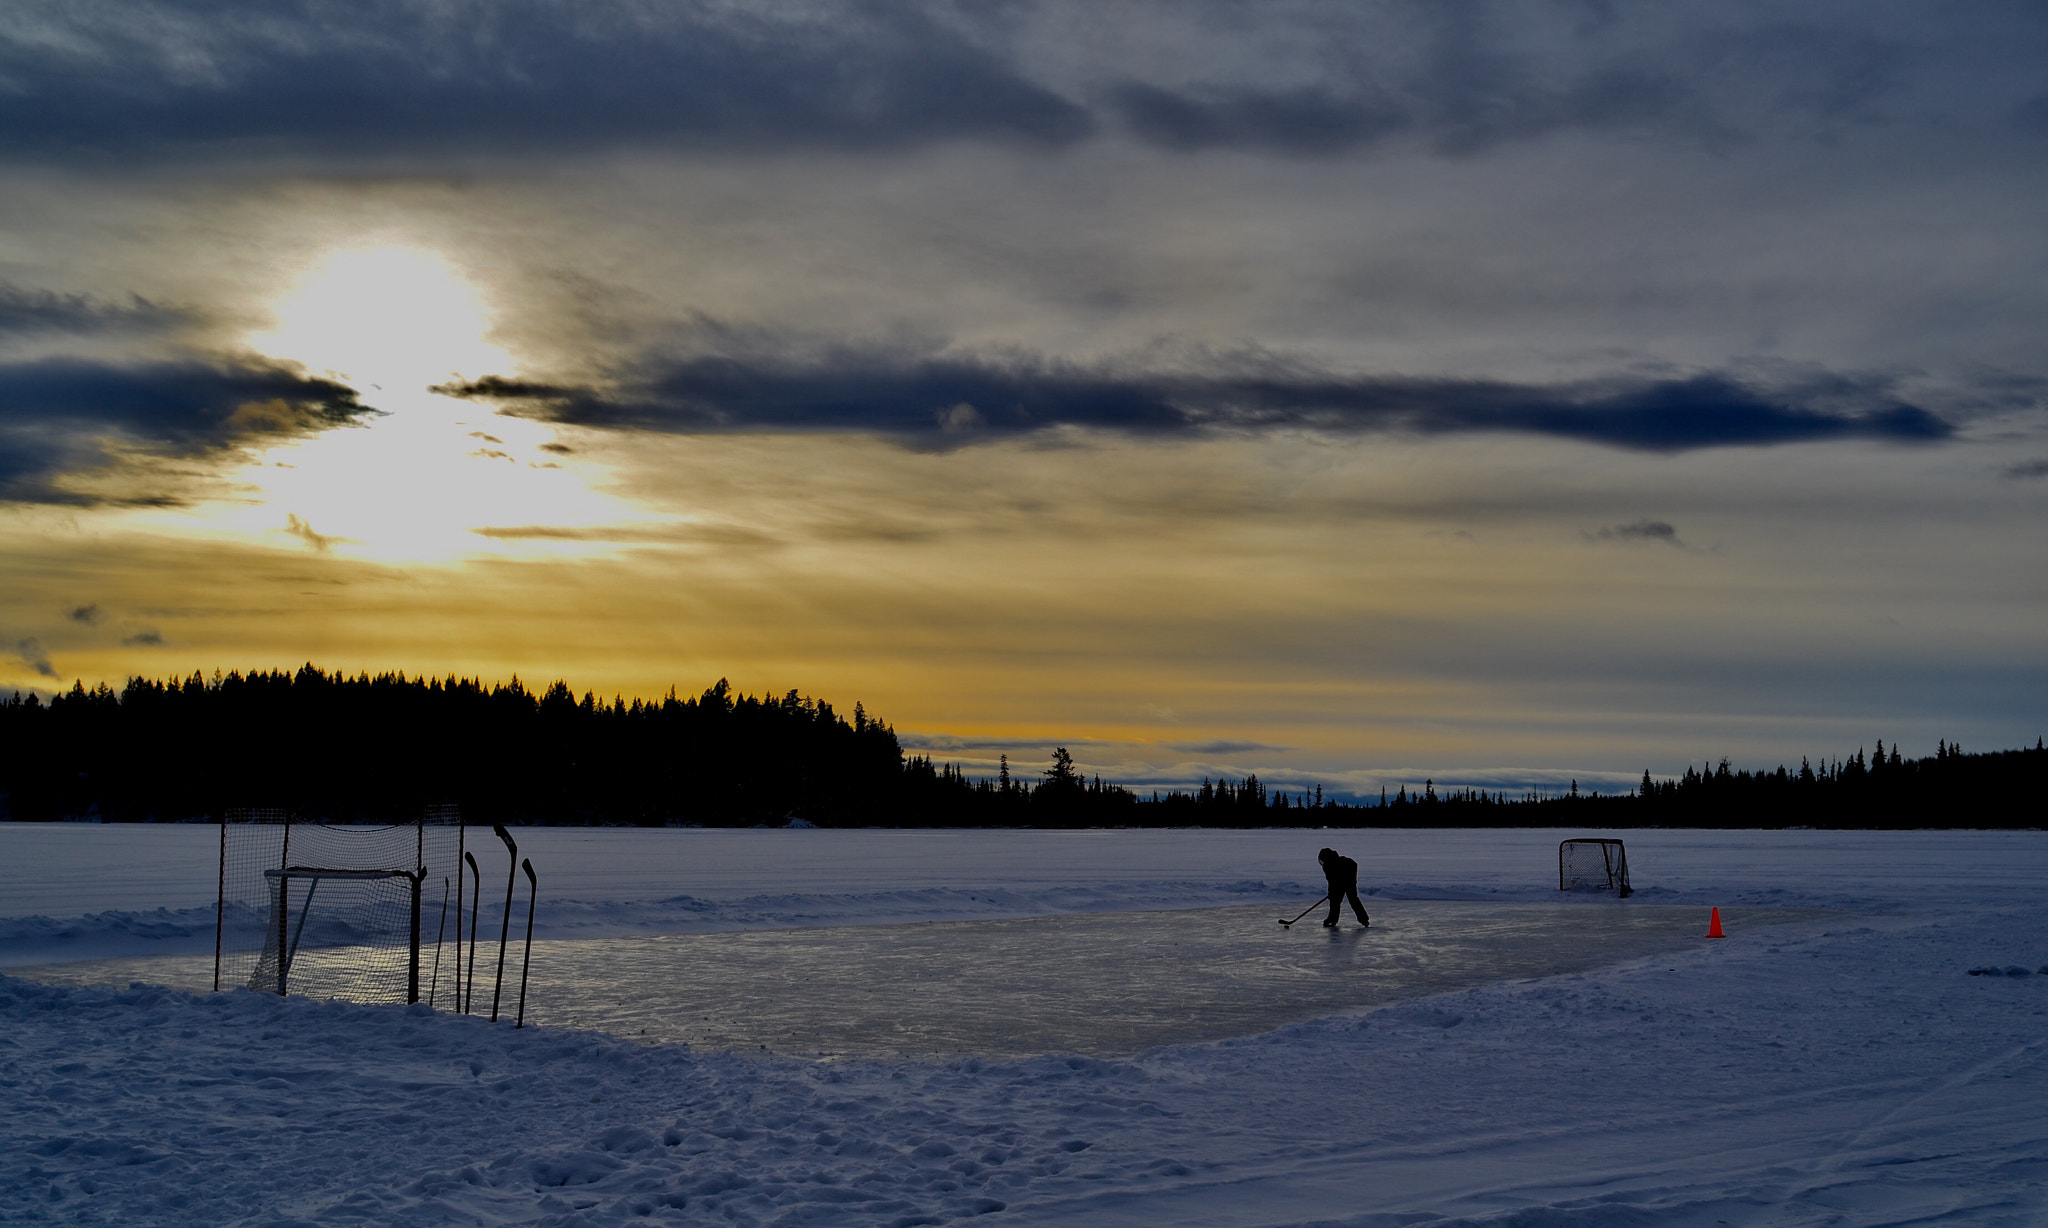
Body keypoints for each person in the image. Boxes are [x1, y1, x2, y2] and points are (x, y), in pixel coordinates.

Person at [1318, 847, 1370, 928]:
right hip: (1338, 884)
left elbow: (1354, 865)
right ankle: (1332, 920)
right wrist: (1331, 892)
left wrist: (1349, 879)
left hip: (1349, 882)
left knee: (1353, 899)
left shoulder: (1345, 862)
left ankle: (1364, 919)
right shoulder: (1327, 866)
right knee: (1335, 901)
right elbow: (1330, 880)